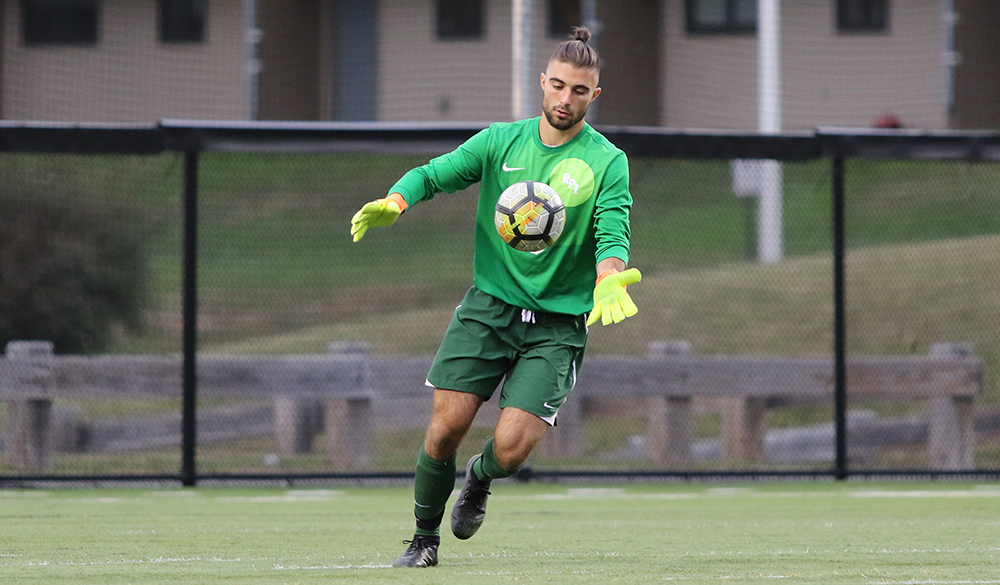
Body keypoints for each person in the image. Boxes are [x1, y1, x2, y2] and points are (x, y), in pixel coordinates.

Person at [350, 26, 641, 569]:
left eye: (579, 90)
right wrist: (397, 200)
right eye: (557, 85)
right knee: (444, 430)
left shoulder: (608, 161)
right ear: (543, 83)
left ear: (594, 95)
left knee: (510, 449)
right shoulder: (499, 141)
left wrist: (608, 276)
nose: (565, 98)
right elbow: (434, 174)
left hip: (555, 327)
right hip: (489, 311)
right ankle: (422, 539)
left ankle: (479, 479)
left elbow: (612, 230)